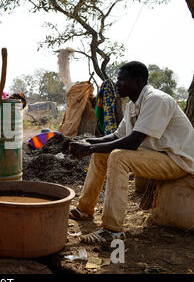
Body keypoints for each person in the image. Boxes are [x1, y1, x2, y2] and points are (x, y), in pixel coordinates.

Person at [68, 61, 194, 245]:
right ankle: (84, 209)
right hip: (158, 156)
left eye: (121, 80)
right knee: (101, 154)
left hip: (177, 161)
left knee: (118, 157)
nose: (117, 84)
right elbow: (117, 136)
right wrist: (88, 142)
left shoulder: (156, 100)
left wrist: (90, 148)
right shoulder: (132, 106)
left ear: (138, 81)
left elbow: (133, 141)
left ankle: (112, 231)